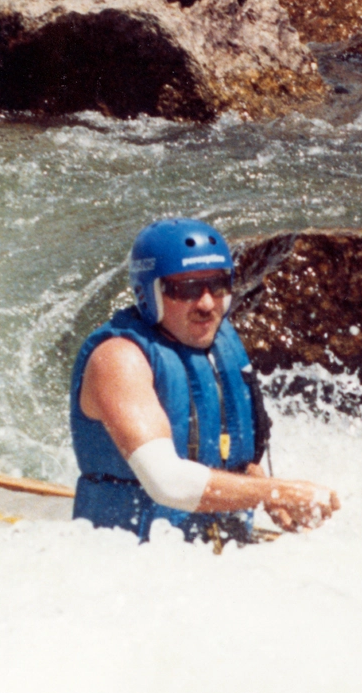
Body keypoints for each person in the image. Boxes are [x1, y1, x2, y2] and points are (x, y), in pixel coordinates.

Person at [70, 218, 340, 541]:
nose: (207, 303)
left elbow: (221, 451)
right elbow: (166, 481)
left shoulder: (215, 345)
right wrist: (275, 492)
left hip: (211, 555)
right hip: (131, 563)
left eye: (218, 285)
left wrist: (260, 486)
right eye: (186, 289)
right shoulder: (118, 360)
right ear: (150, 294)